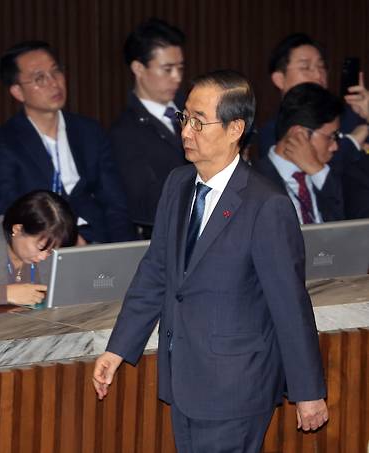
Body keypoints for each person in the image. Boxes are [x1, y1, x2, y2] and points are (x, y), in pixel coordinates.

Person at [93, 70, 327, 453]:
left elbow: (290, 305)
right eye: (184, 118)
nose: (187, 131)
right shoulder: (177, 185)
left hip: (236, 386)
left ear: (235, 128)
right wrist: (118, 348)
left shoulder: (266, 205)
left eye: (199, 122)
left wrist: (308, 392)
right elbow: (156, 272)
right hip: (184, 376)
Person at [0, 41, 135, 244]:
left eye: (56, 72)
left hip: (98, 239)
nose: (54, 83)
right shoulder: (4, 143)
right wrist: (66, 241)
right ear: (18, 92)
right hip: (43, 247)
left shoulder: (89, 131)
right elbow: (8, 210)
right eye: (40, 78)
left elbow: (115, 202)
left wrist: (124, 251)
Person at [257, 33, 369, 219]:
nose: (318, 75)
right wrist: (352, 141)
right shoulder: (273, 132)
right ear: (279, 79)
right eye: (306, 67)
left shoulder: (349, 117)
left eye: (321, 67)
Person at [109, 18, 188, 239]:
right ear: (138, 68)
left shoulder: (197, 108)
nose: (177, 78)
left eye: (180, 68)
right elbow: (147, 200)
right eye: (167, 69)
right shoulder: (125, 132)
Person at [254, 83, 344, 223]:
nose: (335, 146)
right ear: (298, 134)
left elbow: (349, 228)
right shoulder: (253, 180)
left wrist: (317, 171)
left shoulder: (329, 175)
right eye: (330, 137)